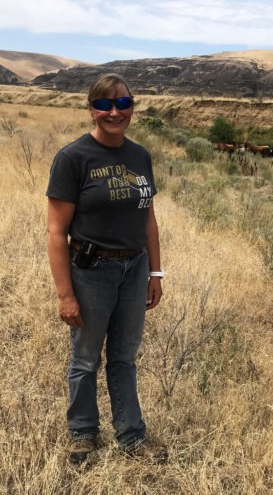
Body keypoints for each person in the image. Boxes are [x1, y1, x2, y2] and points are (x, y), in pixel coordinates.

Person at [46, 73, 166, 464]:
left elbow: (148, 219)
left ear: (133, 107)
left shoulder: (140, 156)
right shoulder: (73, 158)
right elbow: (55, 231)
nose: (114, 112)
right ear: (91, 110)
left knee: (124, 358)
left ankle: (131, 435)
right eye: (103, 105)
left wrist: (156, 273)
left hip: (134, 268)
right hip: (92, 269)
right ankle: (82, 432)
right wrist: (66, 294)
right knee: (85, 358)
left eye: (122, 104)